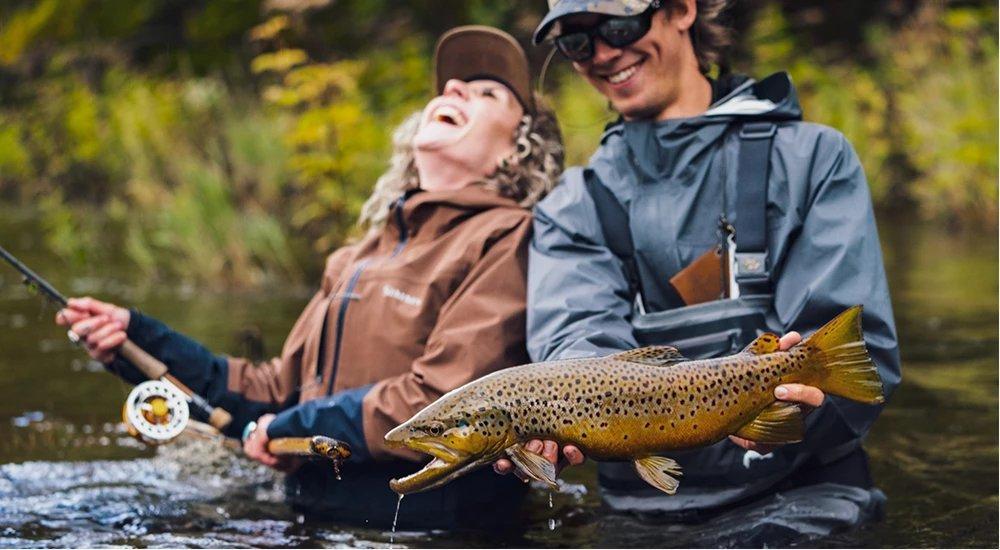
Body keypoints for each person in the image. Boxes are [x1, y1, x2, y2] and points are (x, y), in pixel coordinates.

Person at [54, 25, 565, 531]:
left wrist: (290, 428)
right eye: (452, 86)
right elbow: (274, 391)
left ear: (518, 152)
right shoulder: (357, 255)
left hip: (426, 532)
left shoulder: (510, 238)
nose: (454, 90)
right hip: (307, 521)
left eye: (487, 93)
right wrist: (134, 337)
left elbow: (442, 401)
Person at [496, 0, 902, 545]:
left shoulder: (813, 158)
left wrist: (813, 410)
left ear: (683, 9)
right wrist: (554, 421)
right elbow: (576, 341)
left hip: (804, 495)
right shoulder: (572, 206)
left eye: (620, 25)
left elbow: (857, 352)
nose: (604, 53)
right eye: (577, 41)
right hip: (639, 513)